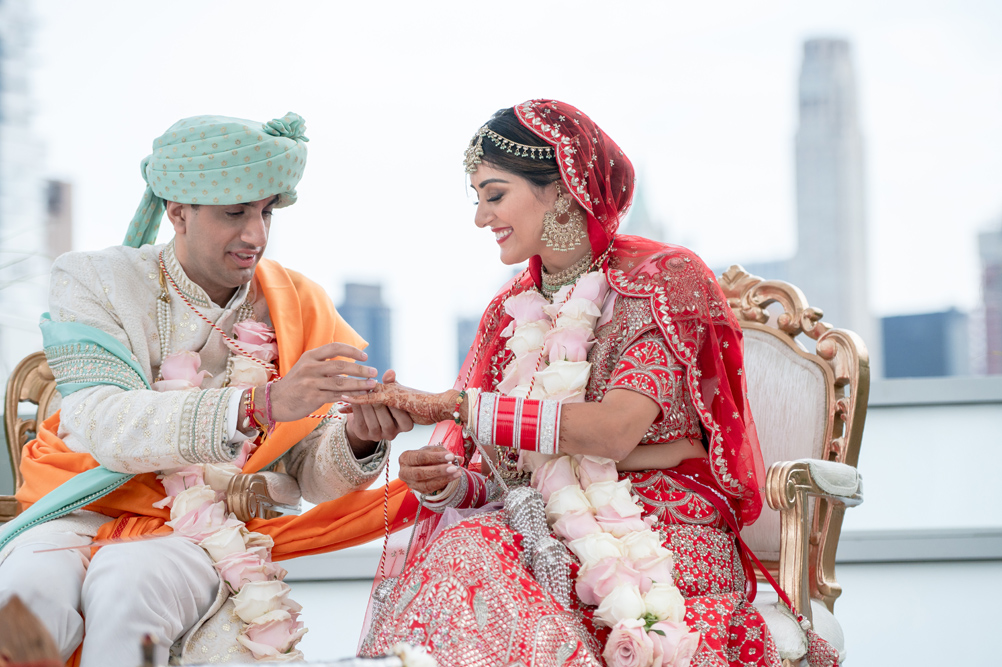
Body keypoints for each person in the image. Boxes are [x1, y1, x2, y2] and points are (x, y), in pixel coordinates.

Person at [353, 100, 788, 666]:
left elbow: (611, 433)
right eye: (478, 199)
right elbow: (514, 476)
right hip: (540, 523)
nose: (481, 219)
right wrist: (450, 486)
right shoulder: (508, 313)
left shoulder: (660, 284)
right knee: (466, 548)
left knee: (474, 555)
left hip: (660, 531)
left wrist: (458, 405)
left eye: (494, 194)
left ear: (560, 188)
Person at [0, 112, 418, 666]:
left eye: (267, 212)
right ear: (178, 212)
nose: (257, 235)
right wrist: (259, 403)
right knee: (25, 598)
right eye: (235, 213)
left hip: (204, 529)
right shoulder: (93, 280)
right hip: (80, 505)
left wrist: (361, 441)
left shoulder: (297, 304)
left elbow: (306, 474)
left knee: (126, 585)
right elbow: (102, 421)